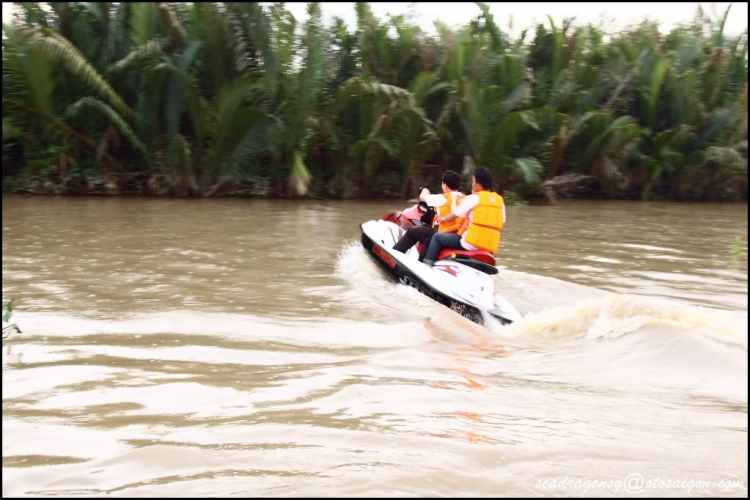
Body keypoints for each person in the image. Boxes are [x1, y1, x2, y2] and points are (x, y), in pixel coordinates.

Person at [422, 167, 505, 267]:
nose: (472, 184)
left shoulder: (474, 198)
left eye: (473, 181)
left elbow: (453, 216)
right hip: (489, 247)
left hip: (469, 243)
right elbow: (501, 222)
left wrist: (442, 219)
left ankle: (427, 265)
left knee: (437, 237)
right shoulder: (500, 201)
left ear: (478, 183)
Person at [393, 170, 465, 261]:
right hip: (457, 235)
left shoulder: (442, 198)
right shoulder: (465, 198)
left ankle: (394, 255)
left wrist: (425, 190)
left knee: (412, 231)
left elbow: (422, 197)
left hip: (442, 233)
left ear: (445, 185)